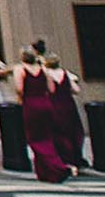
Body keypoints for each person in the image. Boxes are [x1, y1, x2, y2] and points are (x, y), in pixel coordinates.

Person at [15, 49, 72, 183]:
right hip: (45, 102)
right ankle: (45, 172)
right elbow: (51, 89)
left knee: (35, 139)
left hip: (31, 103)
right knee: (46, 136)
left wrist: (21, 98)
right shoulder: (44, 70)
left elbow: (19, 89)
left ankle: (58, 166)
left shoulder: (21, 69)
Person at [43, 54, 89, 171]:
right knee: (73, 130)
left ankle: (64, 157)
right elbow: (76, 90)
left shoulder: (47, 74)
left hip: (54, 104)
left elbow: (50, 90)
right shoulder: (65, 73)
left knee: (57, 131)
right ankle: (75, 156)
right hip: (68, 103)